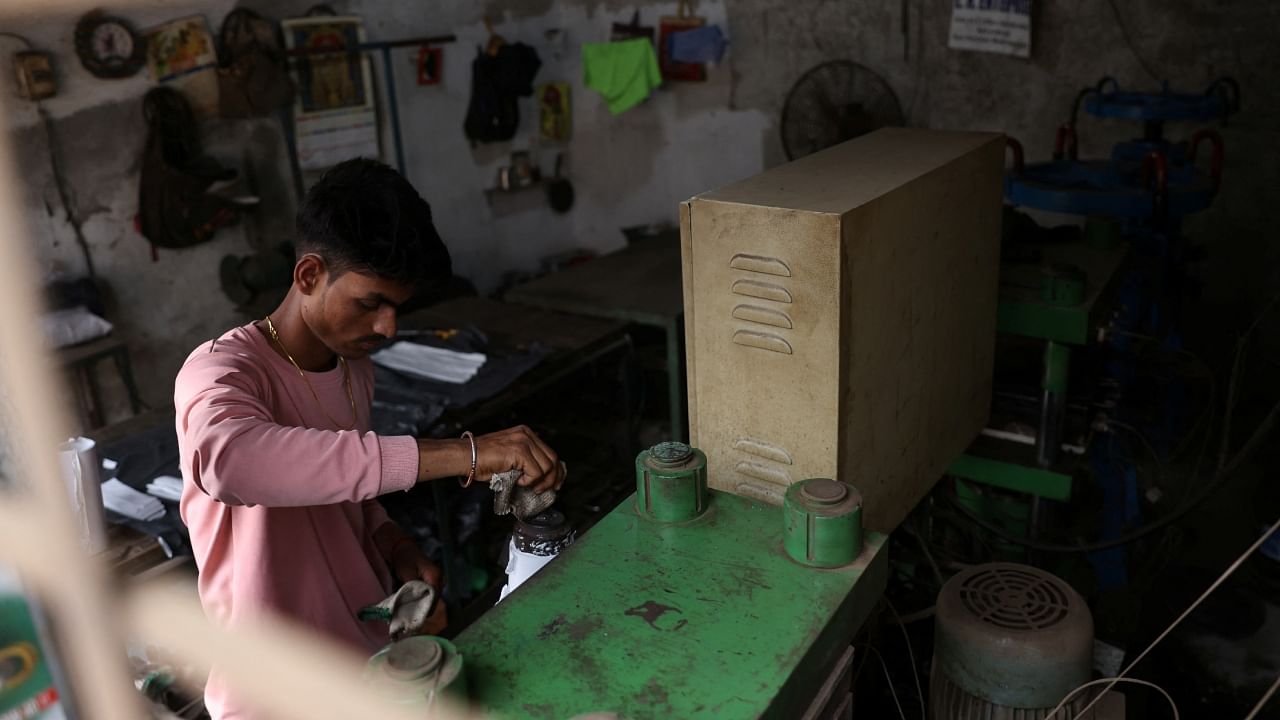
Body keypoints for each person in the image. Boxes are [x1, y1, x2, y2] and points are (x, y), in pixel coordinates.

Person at [174, 158, 565, 719]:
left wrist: (393, 546)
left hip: (366, 672)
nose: (387, 328)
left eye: (396, 309)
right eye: (369, 303)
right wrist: (467, 453)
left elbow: (338, 486)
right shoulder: (222, 373)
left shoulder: (353, 367)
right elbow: (227, 463)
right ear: (309, 274)